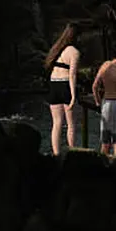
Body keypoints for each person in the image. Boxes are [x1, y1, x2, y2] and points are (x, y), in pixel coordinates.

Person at [43, 23, 80, 155]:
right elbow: (72, 74)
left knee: (56, 123)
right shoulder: (74, 52)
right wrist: (73, 95)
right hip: (65, 85)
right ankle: (72, 152)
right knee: (71, 124)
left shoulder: (56, 50)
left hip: (54, 85)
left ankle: (56, 153)